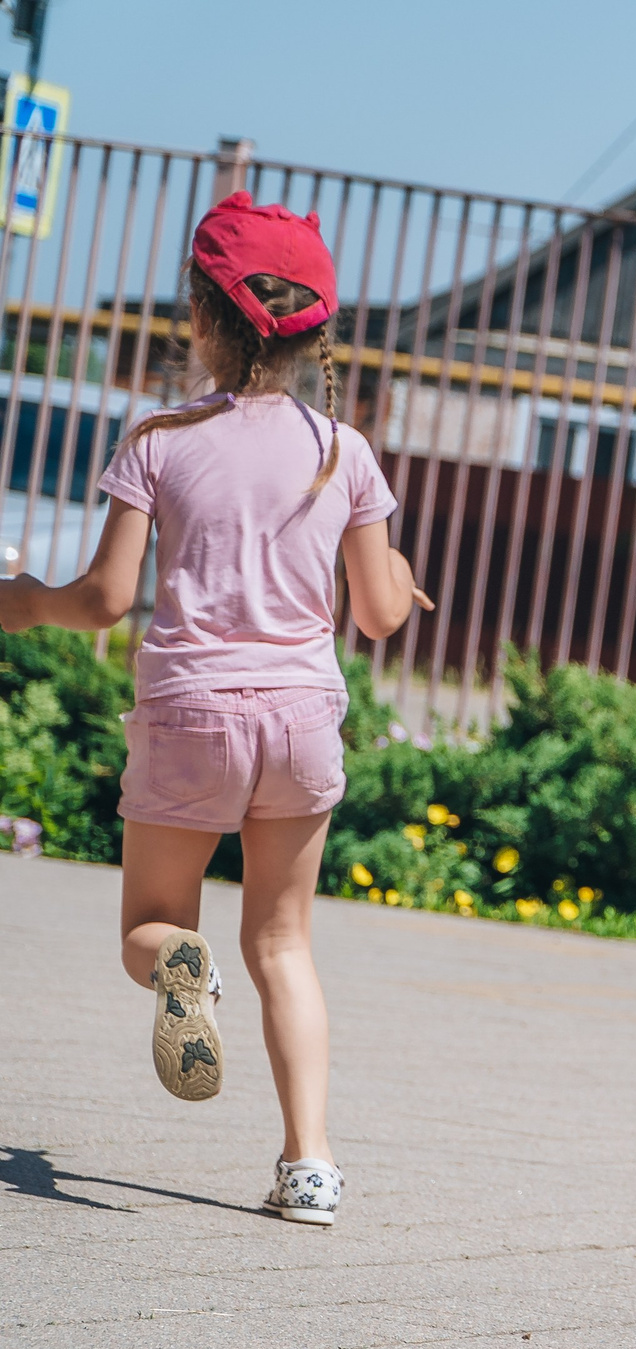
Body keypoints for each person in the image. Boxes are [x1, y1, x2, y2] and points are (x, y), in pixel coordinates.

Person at [0, 194, 421, 1225]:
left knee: (151, 924)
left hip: (191, 711)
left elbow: (103, 599)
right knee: (282, 944)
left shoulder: (161, 440)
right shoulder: (345, 453)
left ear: (201, 316)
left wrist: (21, 603)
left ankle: (178, 968)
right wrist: (400, 577)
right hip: (300, 718)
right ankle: (310, 1166)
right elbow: (373, 614)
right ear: (320, 328)